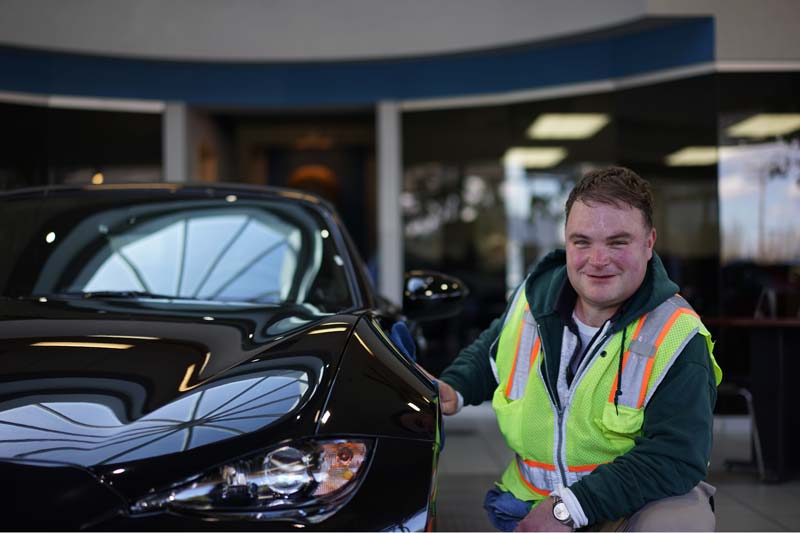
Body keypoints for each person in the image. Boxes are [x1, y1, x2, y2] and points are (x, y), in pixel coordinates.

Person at [434, 166, 722, 531]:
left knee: (679, 524)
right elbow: (490, 351)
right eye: (582, 242)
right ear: (566, 242)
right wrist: (454, 387)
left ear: (649, 243)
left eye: (617, 242)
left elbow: (676, 457)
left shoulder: (677, 335)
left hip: (635, 505)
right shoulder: (533, 299)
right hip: (531, 502)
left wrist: (568, 507)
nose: (597, 260)